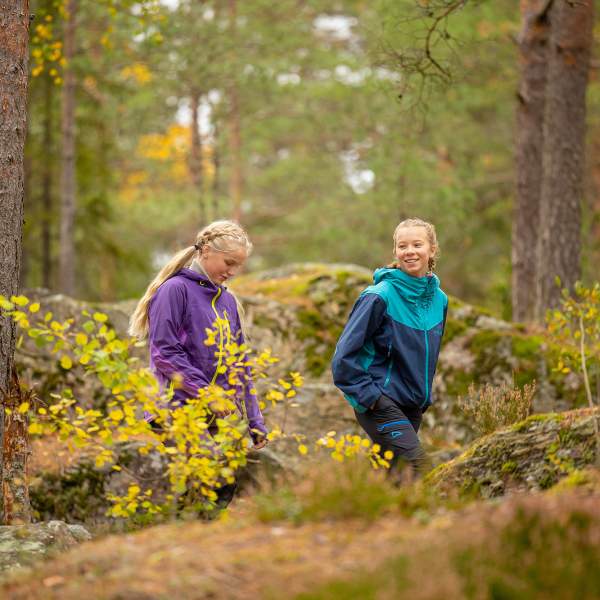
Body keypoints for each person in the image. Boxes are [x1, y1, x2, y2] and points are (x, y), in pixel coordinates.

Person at [128, 220, 268, 505]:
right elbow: (164, 353)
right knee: (212, 483)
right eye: (228, 262)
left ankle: (191, 539)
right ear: (205, 251)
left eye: (238, 266)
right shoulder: (174, 290)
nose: (232, 272)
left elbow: (239, 364)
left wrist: (255, 420)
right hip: (174, 410)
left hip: (209, 414)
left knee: (214, 488)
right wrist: (208, 394)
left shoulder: (228, 302)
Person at [331, 218, 447, 478]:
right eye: (402, 245)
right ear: (395, 252)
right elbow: (342, 358)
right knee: (420, 469)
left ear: (432, 249)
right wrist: (371, 399)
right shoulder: (378, 296)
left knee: (395, 479)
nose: (409, 251)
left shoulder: (440, 300)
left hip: (413, 403)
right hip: (380, 401)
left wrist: (423, 397)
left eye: (417, 244)